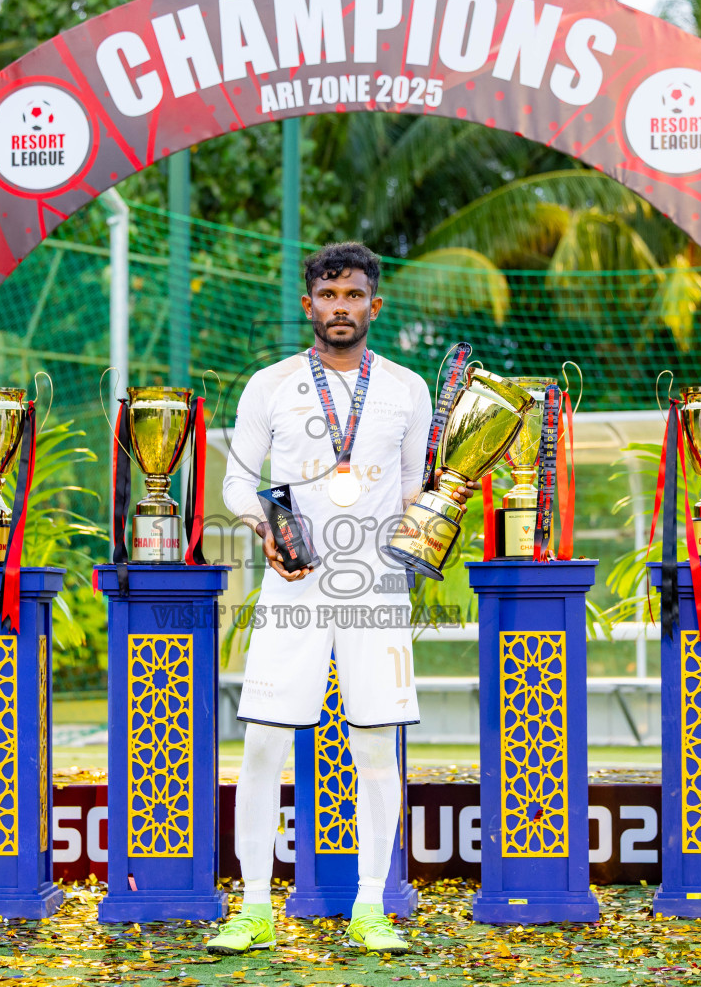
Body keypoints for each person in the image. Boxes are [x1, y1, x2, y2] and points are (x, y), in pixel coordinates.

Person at [208, 242, 475, 956]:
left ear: (373, 305)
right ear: (308, 305)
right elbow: (237, 483)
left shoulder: (409, 390)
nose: (340, 309)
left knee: (377, 751)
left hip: (377, 589)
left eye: (353, 296)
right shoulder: (269, 384)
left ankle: (369, 907)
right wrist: (263, 528)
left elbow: (419, 485)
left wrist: (441, 504)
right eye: (328, 297)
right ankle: (255, 908)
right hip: (292, 585)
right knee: (263, 743)